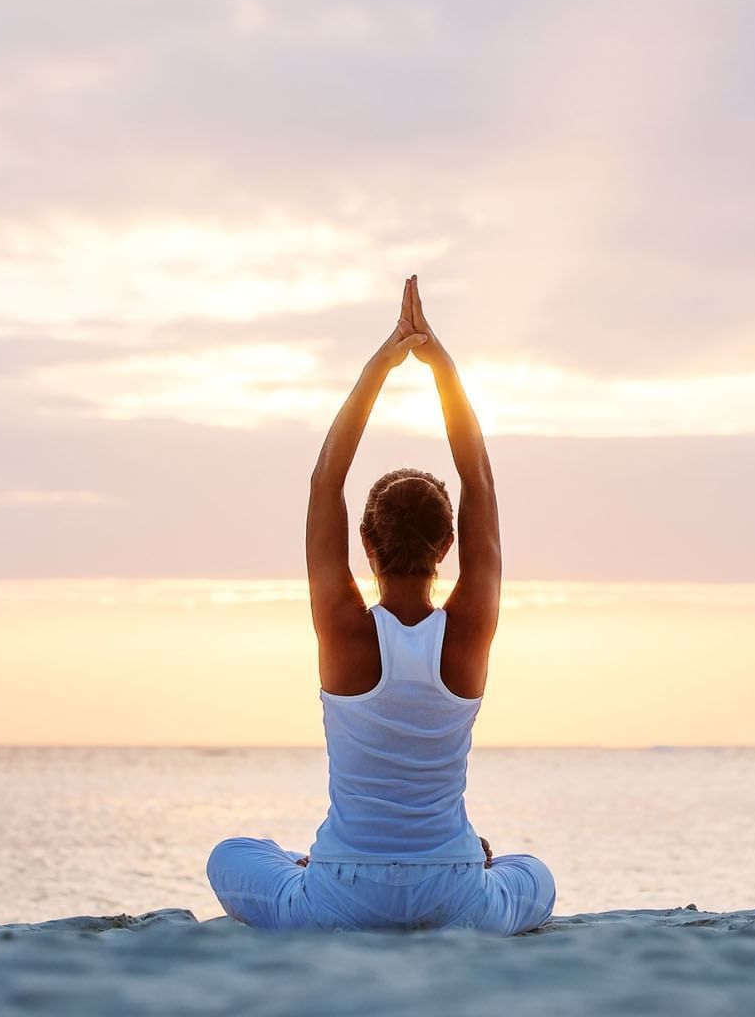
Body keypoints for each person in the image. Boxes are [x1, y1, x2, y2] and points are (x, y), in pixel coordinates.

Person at [206, 276, 555, 934]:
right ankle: (471, 860)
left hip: (342, 892)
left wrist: (381, 365)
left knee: (231, 856)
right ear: (449, 544)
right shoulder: (469, 631)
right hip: (454, 890)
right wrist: (440, 368)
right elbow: (478, 476)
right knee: (535, 875)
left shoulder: (342, 631)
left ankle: (308, 865)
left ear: (364, 542)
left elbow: (324, 480)